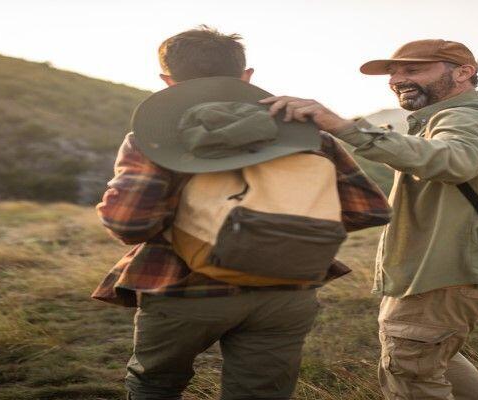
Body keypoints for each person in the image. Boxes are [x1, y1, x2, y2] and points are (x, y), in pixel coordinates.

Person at [92, 26, 391, 399]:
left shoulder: (153, 139)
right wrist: (286, 227)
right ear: (246, 76)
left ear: (168, 81)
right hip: (288, 288)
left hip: (184, 288)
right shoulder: (310, 136)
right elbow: (369, 210)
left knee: (156, 385)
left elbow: (130, 222)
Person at [261, 39, 478, 400]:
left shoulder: (464, 116)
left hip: (449, 270)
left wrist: (344, 127)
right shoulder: (453, 117)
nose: (396, 79)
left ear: (463, 73)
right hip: (456, 267)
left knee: (411, 368)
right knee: (423, 356)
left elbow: (456, 160)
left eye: (413, 69)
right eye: (393, 72)